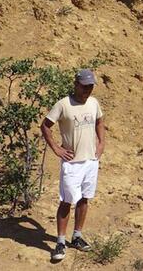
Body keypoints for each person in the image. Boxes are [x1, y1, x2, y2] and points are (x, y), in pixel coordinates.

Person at [41, 69, 106, 263]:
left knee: (85, 199)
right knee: (66, 201)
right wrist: (56, 148)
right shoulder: (63, 104)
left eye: (91, 86)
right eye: (85, 86)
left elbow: (100, 121)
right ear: (76, 84)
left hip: (91, 161)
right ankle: (60, 241)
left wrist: (101, 143)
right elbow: (45, 126)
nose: (88, 90)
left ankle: (77, 236)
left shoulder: (93, 103)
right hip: (72, 163)